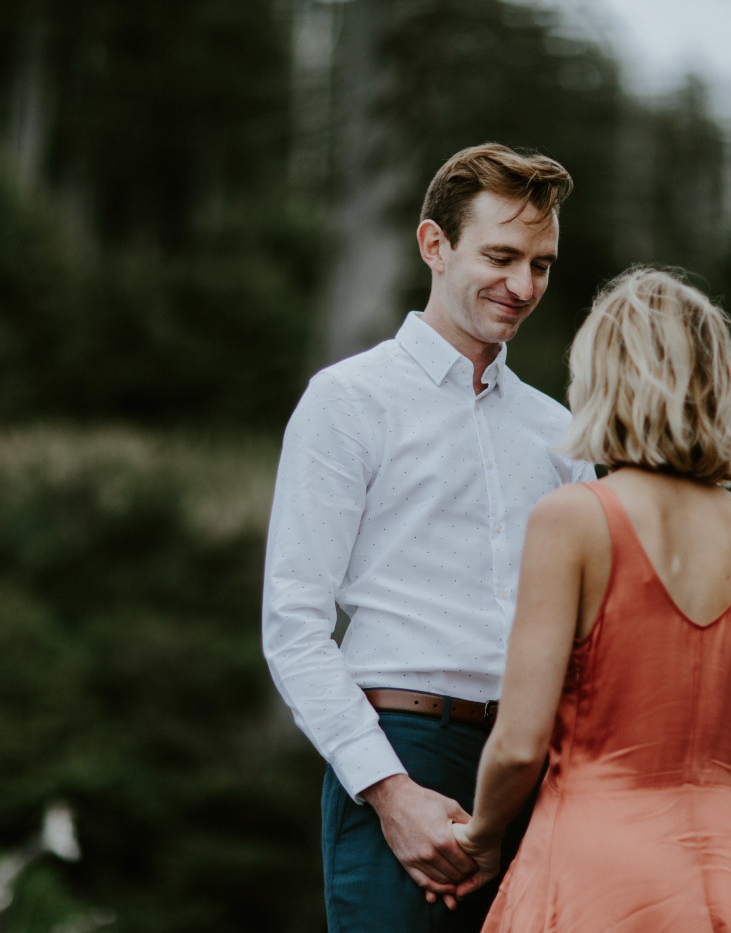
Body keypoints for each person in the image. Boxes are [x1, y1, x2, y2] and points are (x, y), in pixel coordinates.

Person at [261, 143, 595, 932]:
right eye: (502, 256)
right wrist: (389, 790)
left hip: (538, 770)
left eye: (541, 265)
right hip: (400, 751)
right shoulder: (348, 401)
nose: (522, 286)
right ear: (433, 245)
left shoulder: (562, 432)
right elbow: (293, 628)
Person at [449, 267, 731, 931]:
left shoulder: (572, 518)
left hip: (597, 878)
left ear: (605, 377)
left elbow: (521, 744)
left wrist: (482, 834)